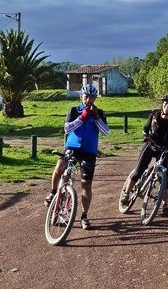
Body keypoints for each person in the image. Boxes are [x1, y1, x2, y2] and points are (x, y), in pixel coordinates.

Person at [44, 83, 109, 230]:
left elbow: (106, 132)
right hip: (72, 147)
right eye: (86, 97)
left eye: (92, 98)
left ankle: (84, 216)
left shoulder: (100, 113)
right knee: (60, 166)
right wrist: (82, 117)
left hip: (89, 151)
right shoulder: (74, 110)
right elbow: (66, 128)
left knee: (86, 184)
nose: (89, 100)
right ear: (81, 97)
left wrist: (97, 118)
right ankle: (53, 192)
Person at [120, 94, 168, 216]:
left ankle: (165, 206)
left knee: (164, 179)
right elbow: (145, 129)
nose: (167, 106)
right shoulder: (154, 115)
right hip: (150, 145)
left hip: (163, 150)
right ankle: (126, 193)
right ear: (162, 104)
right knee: (138, 171)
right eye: (165, 103)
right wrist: (146, 137)